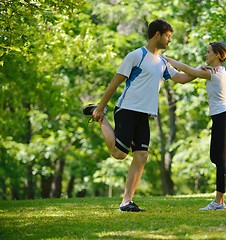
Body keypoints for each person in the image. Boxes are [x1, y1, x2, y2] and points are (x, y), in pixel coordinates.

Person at [83, 19, 195, 212]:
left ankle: (126, 202)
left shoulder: (162, 62)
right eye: (168, 36)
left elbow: (182, 78)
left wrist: (202, 70)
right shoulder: (136, 55)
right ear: (157, 35)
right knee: (119, 153)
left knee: (141, 156)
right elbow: (115, 82)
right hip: (127, 108)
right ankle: (100, 116)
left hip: (144, 114)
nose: (170, 40)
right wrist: (101, 107)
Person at [163, 42, 226, 210]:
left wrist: (167, 59)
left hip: (222, 117)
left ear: (217, 55)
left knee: (221, 160)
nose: (206, 54)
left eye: (208, 52)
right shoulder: (224, 72)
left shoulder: (215, 73)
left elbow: (188, 70)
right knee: (215, 157)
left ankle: (219, 202)